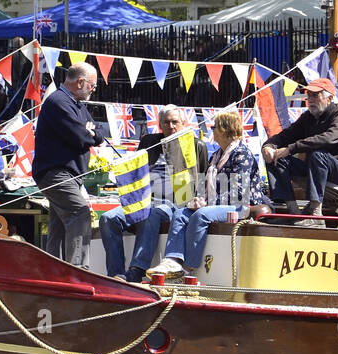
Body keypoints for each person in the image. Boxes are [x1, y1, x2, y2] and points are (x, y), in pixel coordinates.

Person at [148, 110, 265, 278]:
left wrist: (207, 204)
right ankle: (173, 260)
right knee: (181, 214)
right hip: (217, 204)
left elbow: (239, 192)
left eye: (214, 127)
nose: (212, 130)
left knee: (202, 214)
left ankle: (188, 269)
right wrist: (198, 198)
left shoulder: (242, 154)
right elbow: (203, 183)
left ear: (225, 130)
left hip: (241, 206)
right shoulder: (217, 155)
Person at [99, 104, 208, 283]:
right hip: (143, 200)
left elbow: (202, 180)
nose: (171, 127)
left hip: (173, 204)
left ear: (183, 123)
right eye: (166, 123)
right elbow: (136, 171)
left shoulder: (195, 145)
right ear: (160, 124)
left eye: (175, 122)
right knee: (108, 218)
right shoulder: (150, 142)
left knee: (150, 213)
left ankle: (137, 270)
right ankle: (115, 274)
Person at [262, 78, 338, 220]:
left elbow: (326, 139)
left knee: (318, 154)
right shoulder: (309, 117)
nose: (311, 99)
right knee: (277, 158)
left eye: (315, 95)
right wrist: (268, 147)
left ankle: (316, 214)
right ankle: (292, 210)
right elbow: (285, 136)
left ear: (330, 98)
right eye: (309, 95)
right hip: (318, 169)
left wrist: (290, 149)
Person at [31, 62, 98, 266]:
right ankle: (77, 270)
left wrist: (91, 132)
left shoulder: (76, 104)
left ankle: (52, 269)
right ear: (80, 82)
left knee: (58, 225)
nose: (94, 89)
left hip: (69, 175)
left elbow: (99, 134)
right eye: (93, 85)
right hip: (56, 173)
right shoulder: (58, 102)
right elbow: (80, 137)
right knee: (80, 213)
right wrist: (88, 133)